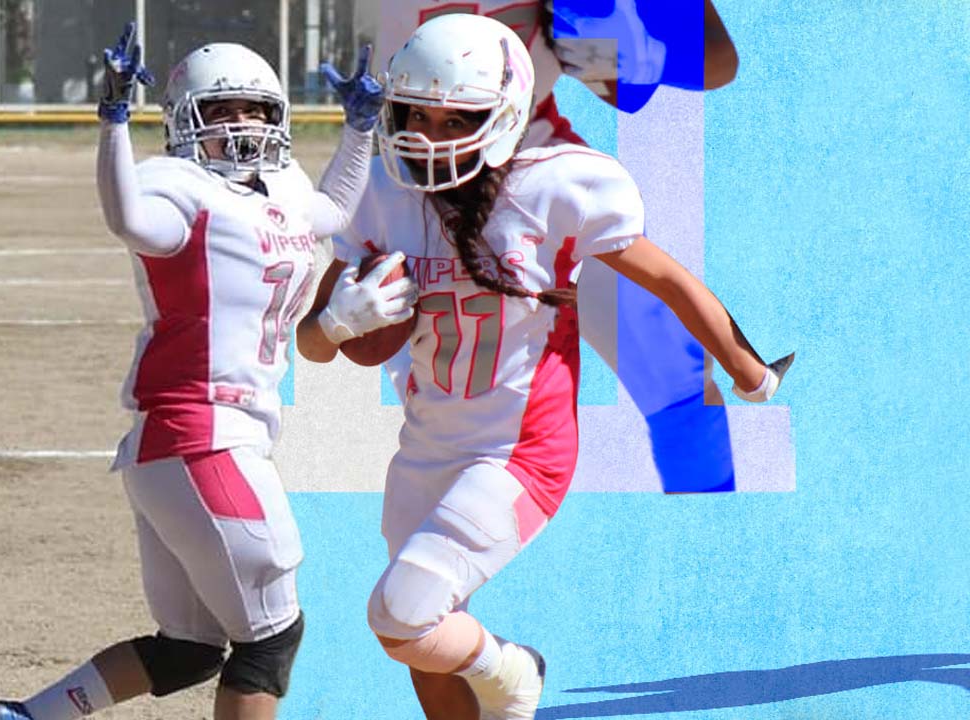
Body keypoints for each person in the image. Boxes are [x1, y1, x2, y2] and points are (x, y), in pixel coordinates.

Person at [296, 14, 792, 719]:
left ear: (500, 114)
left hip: (520, 452)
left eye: (454, 118)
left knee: (402, 612)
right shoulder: (381, 186)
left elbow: (672, 281)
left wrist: (748, 371)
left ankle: (515, 672)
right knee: (419, 642)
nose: (428, 136)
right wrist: (339, 321)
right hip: (425, 449)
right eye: (416, 115)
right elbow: (313, 345)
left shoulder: (558, 180)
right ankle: (503, 698)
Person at [0, 22, 383, 720]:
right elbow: (128, 218)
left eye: (256, 109)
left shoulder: (277, 183)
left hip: (181, 449)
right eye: (222, 112)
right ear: (187, 121)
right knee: (271, 640)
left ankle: (26, 717)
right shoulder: (177, 186)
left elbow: (334, 209)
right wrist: (113, 121)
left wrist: (361, 128)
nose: (243, 125)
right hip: (203, 439)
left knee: (190, 649)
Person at [371, 0, 744, 493]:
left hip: (535, 174)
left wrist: (626, 48)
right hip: (409, 185)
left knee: (675, 375)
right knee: (453, 427)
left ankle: (707, 539)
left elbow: (715, 59)